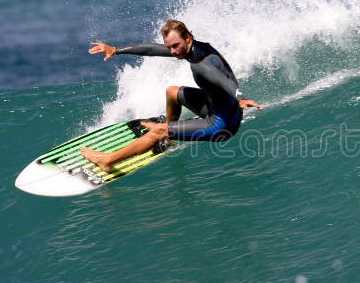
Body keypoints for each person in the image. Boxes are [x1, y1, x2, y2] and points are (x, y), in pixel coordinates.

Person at [80, 19, 261, 172]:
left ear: (188, 38)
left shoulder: (200, 64)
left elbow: (222, 80)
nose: (173, 52)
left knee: (158, 131)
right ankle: (169, 134)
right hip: (218, 107)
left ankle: (108, 161)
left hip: (222, 124)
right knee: (172, 92)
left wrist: (241, 97)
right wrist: (116, 50)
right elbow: (152, 49)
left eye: (175, 46)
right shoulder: (193, 48)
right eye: (170, 47)